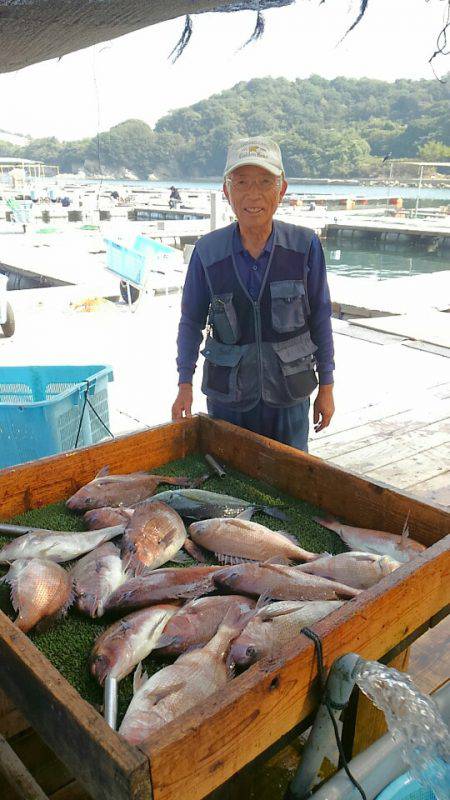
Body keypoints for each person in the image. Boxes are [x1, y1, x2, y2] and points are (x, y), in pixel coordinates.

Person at [172, 136, 335, 451]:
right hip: (228, 398)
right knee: (230, 480)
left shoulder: (305, 246)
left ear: (282, 190)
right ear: (226, 191)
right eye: (242, 182)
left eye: (264, 182)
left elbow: (321, 317)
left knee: (291, 482)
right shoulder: (208, 251)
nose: (253, 195)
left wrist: (326, 386)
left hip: (290, 395)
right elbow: (190, 322)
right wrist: (184, 384)